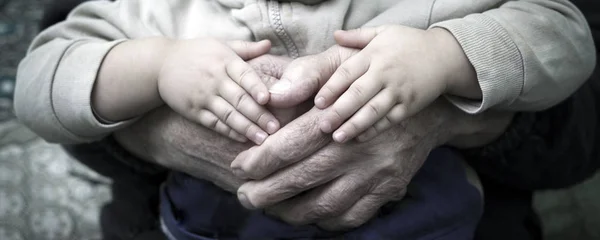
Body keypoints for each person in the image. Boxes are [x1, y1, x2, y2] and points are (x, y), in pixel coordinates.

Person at [15, 0, 597, 239]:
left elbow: (565, 35)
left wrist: (445, 55)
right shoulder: (158, 10)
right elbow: (41, 80)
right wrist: (153, 67)